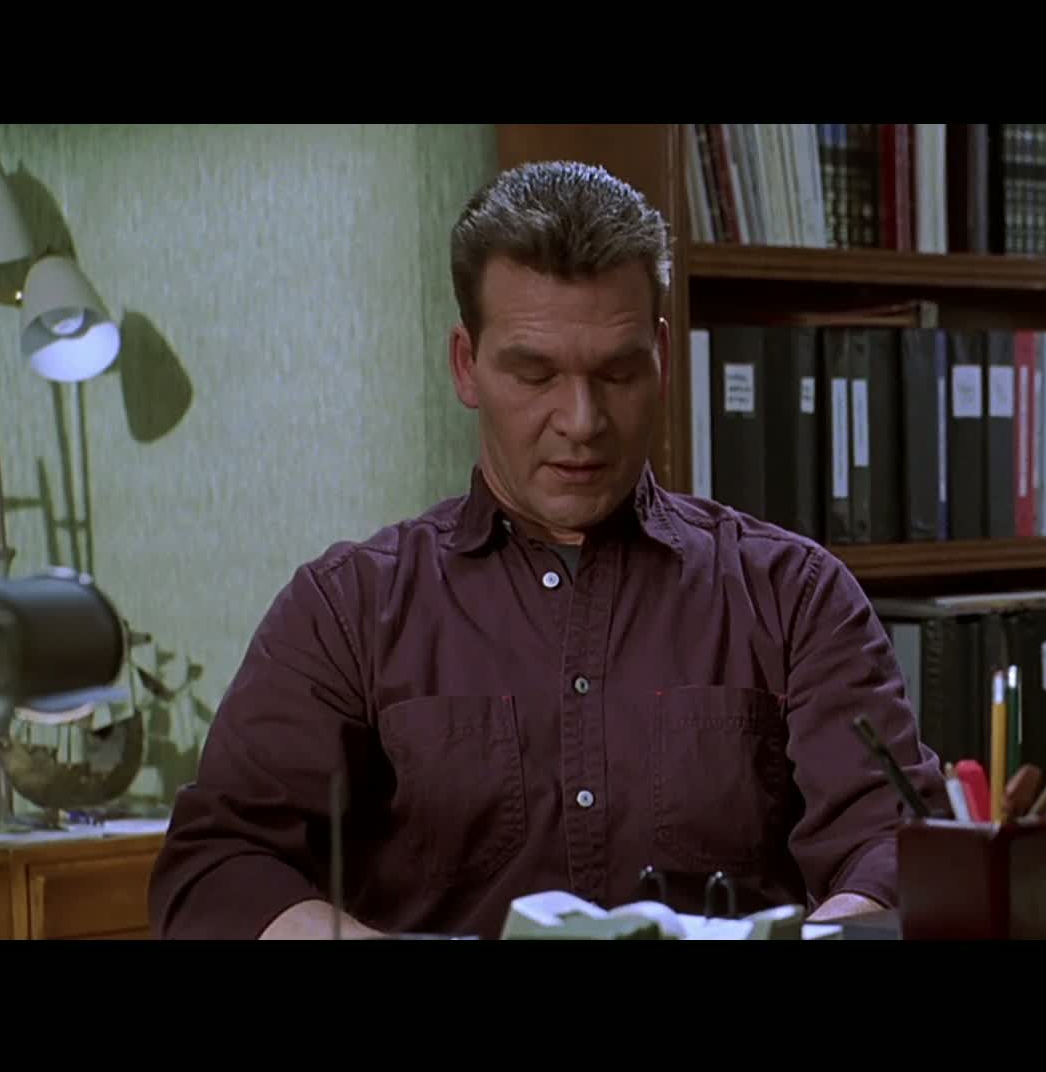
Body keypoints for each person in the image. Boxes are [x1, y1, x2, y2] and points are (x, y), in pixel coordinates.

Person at [147, 159, 947, 939]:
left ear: (661, 358)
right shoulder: (348, 609)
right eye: (535, 375)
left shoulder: (795, 596)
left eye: (617, 374)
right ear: (467, 366)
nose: (582, 421)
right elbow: (218, 865)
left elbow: (899, 848)